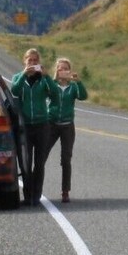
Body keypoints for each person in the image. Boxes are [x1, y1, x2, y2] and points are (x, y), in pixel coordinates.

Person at [8, 49, 60, 206]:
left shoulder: (43, 79)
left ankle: (37, 195)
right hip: (25, 126)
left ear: (39, 62)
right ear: (25, 61)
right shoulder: (18, 77)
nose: (32, 63)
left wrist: (47, 76)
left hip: (42, 125)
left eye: (35, 60)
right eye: (30, 60)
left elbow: (55, 94)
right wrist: (24, 73)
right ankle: (27, 195)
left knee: (39, 163)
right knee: (26, 162)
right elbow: (14, 91)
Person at [49, 57, 88, 203]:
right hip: (51, 124)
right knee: (41, 156)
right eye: (60, 68)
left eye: (66, 68)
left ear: (69, 70)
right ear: (56, 70)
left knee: (66, 159)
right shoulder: (52, 85)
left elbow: (83, 96)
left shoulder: (72, 87)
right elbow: (46, 91)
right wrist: (53, 79)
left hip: (67, 126)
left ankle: (65, 191)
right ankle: (35, 189)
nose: (63, 71)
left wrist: (78, 81)